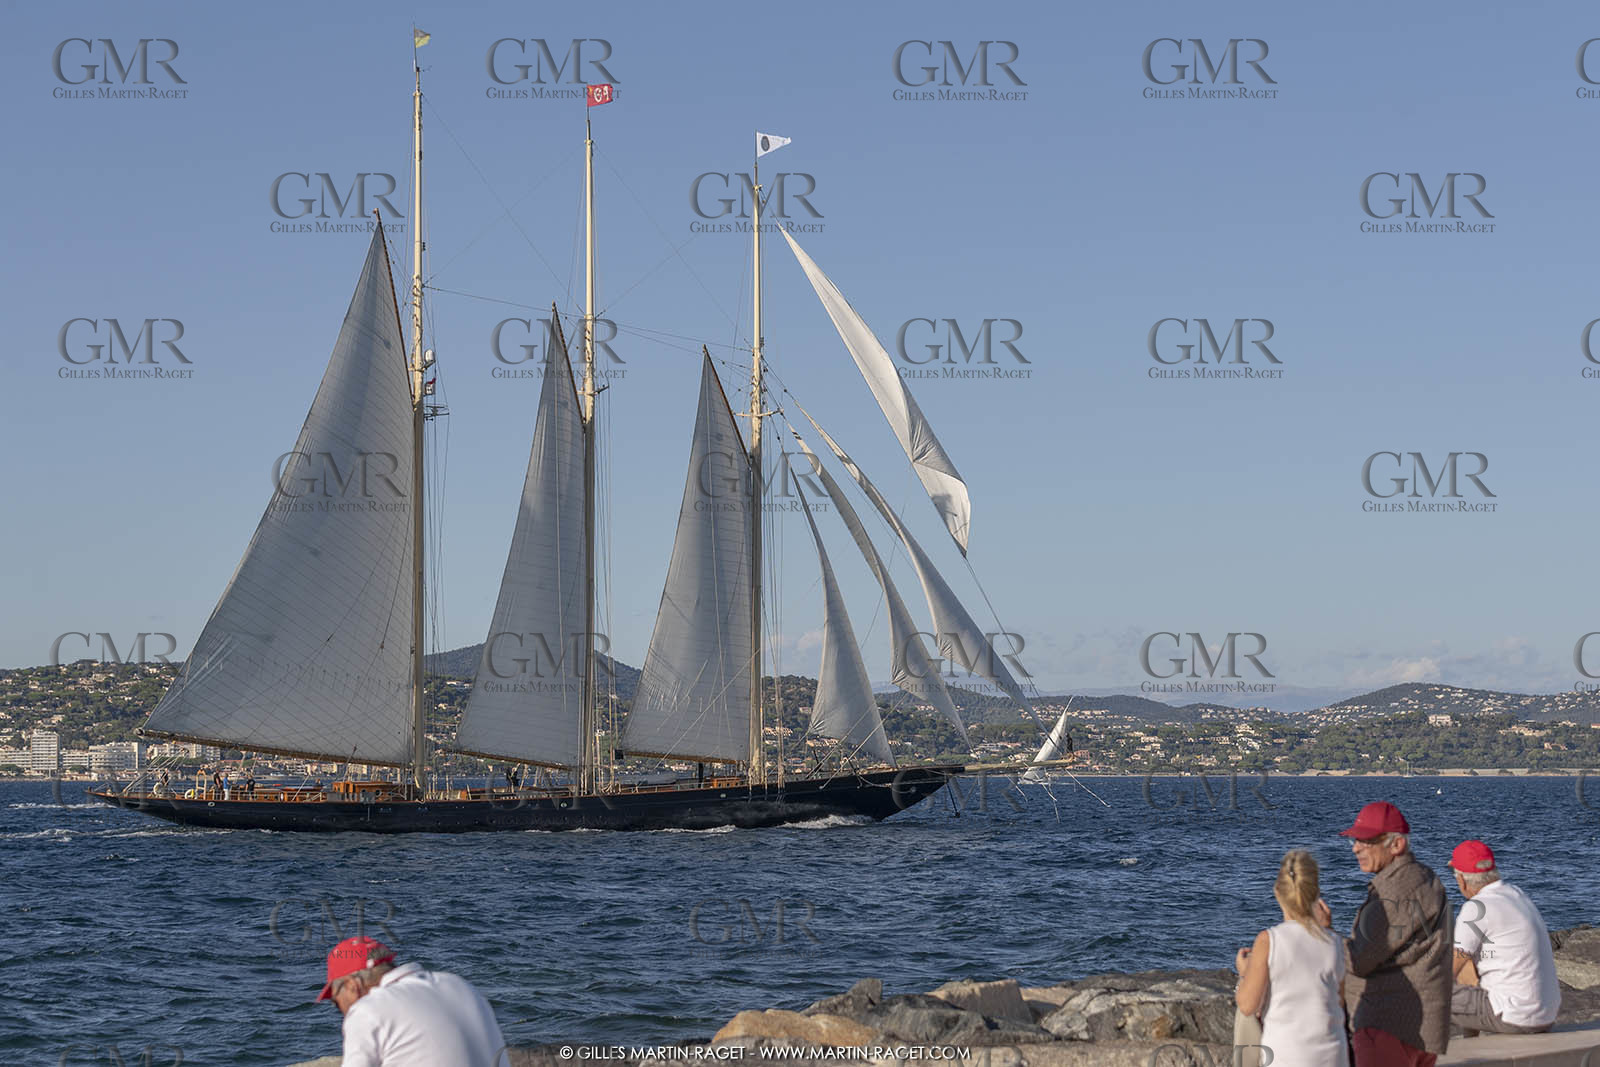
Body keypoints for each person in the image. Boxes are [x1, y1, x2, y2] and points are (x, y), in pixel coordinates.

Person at [1318, 801, 1452, 1067]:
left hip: (1388, 1025)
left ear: (1396, 845)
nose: (1356, 848)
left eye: (1366, 841)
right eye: (1355, 840)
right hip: (1420, 1026)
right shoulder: (1425, 877)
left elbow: (1359, 960)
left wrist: (1325, 932)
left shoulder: (1394, 890)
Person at [316, 936, 510, 1067]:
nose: (342, 1011)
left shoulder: (368, 1009)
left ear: (352, 985)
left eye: (336, 1002)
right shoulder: (459, 985)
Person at [1235, 850, 1349, 1067]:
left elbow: (1247, 1005)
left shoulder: (1269, 941)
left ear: (1277, 893)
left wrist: (1245, 972)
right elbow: (1339, 1001)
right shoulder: (1335, 942)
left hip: (1286, 1056)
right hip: (1332, 1056)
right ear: (1315, 894)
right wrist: (1328, 930)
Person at [1447, 839, 1560, 1036]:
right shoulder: (1517, 894)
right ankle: (1471, 1041)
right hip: (1546, 1015)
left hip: (1513, 1017)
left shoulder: (1476, 907)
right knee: (1468, 963)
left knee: (1424, 993)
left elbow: (1449, 969)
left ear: (1462, 880)